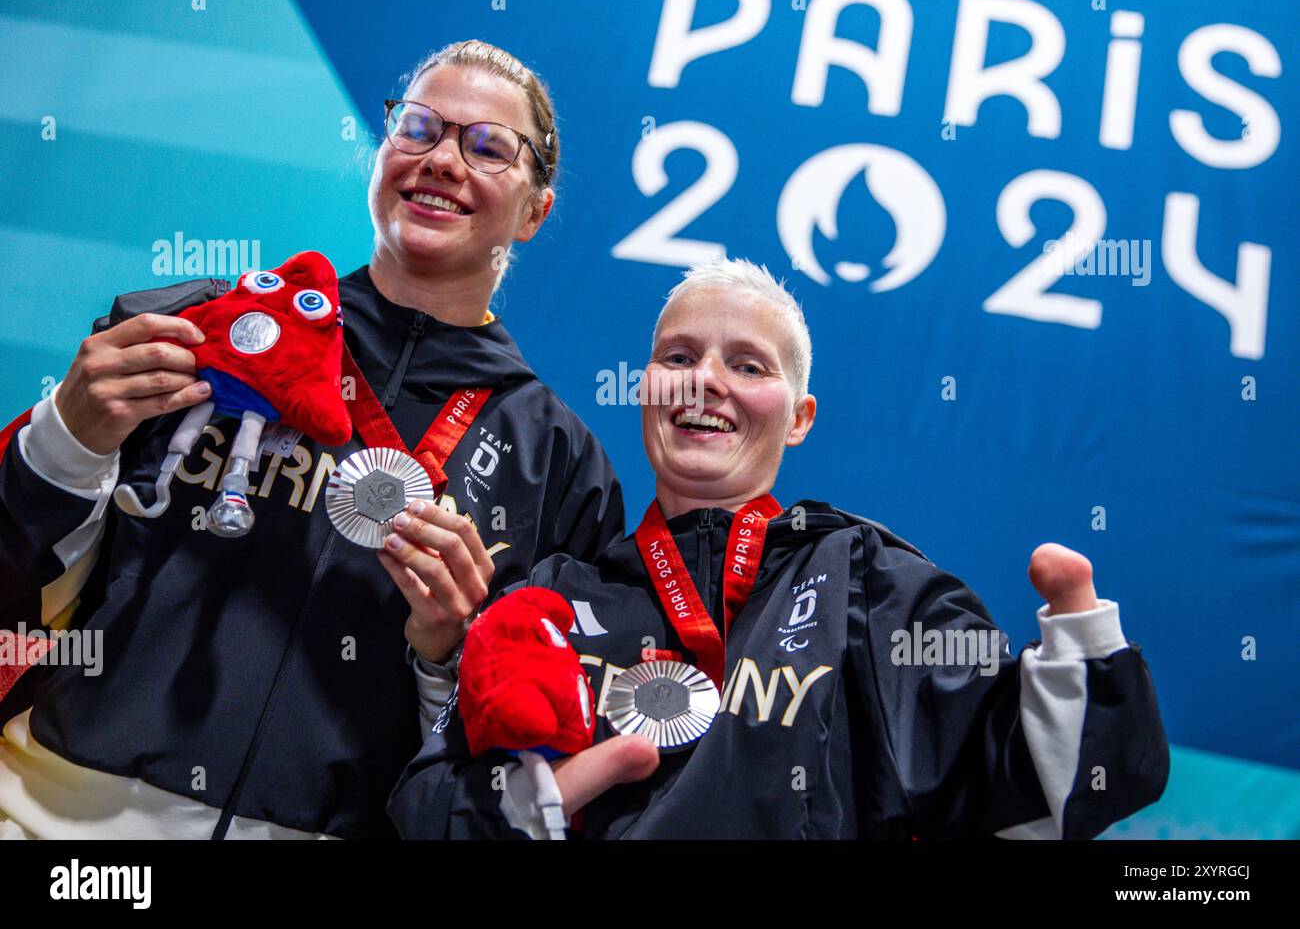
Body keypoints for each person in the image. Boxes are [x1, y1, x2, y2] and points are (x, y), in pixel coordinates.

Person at [0, 40, 624, 839]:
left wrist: (444, 653)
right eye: (421, 128)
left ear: (535, 211)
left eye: (487, 147)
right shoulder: (209, 330)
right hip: (59, 825)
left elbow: (502, 769)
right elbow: (23, 574)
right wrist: (67, 439)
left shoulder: (563, 468)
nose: (441, 160)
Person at [388, 257, 1170, 839]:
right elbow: (425, 803)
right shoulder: (554, 598)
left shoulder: (866, 580)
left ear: (799, 417)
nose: (705, 382)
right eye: (679, 358)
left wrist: (1079, 649)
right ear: (645, 388)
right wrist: (530, 806)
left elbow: (1030, 788)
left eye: (748, 365)